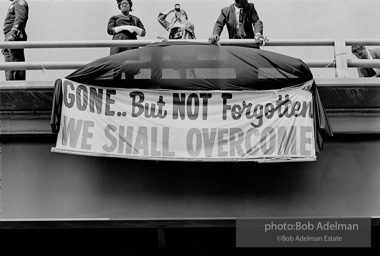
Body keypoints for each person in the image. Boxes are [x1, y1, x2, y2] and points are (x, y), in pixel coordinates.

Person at [2, 0, 29, 80]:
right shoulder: (14, 4)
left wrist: (13, 34)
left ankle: (19, 87)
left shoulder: (20, 2)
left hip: (14, 35)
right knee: (8, 64)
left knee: (16, 62)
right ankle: (10, 88)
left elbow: (20, 19)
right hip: (8, 35)